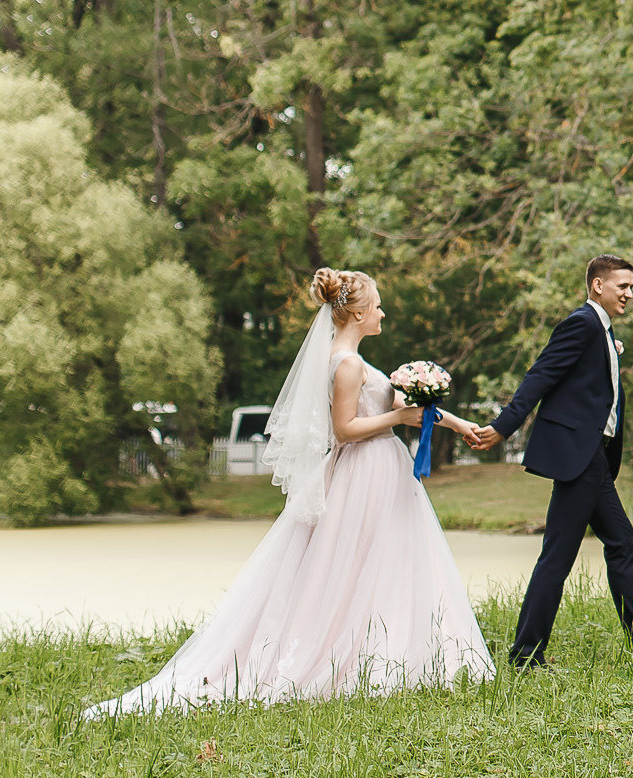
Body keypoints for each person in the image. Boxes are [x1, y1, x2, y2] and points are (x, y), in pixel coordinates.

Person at [88, 269, 494, 715]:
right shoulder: (347, 363)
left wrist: (454, 422)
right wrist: (397, 422)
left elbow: (398, 406)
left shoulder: (354, 359)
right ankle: (360, 653)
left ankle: (395, 648)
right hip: (364, 470)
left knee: (386, 559)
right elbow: (345, 429)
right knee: (361, 562)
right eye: (377, 305)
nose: (382, 312)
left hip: (382, 469)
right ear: (357, 313)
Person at [469, 254, 633, 667]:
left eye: (631, 286)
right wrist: (503, 426)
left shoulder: (603, 331)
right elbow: (540, 375)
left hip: (594, 459)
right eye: (623, 286)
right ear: (598, 285)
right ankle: (526, 655)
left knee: (621, 543)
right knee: (559, 556)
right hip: (579, 458)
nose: (630, 294)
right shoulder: (582, 323)